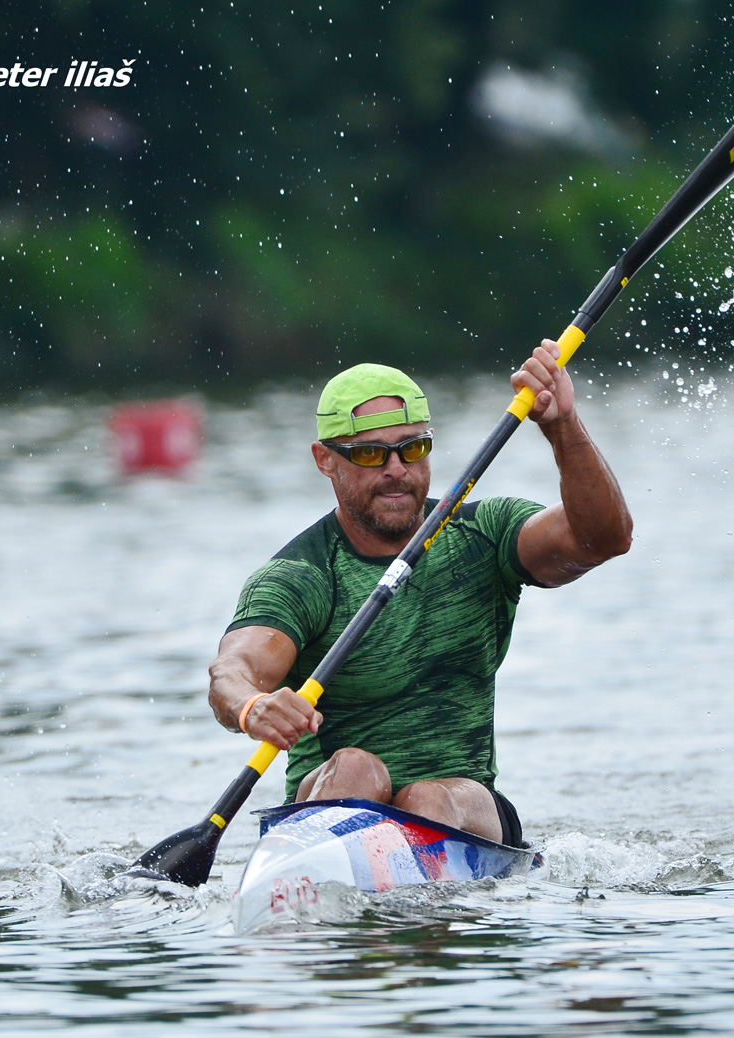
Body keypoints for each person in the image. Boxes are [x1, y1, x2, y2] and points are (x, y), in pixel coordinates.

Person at [206, 342, 632, 845]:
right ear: (325, 460)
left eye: (413, 448)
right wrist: (253, 707)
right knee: (357, 768)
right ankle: (337, 872)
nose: (396, 469)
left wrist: (563, 427)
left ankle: (414, 875)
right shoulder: (302, 576)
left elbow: (603, 538)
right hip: (335, 796)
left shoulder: (485, 534)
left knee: (426, 798)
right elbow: (232, 671)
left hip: (465, 806)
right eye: (370, 453)